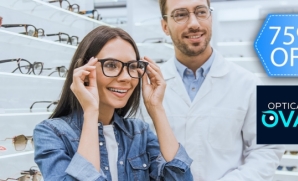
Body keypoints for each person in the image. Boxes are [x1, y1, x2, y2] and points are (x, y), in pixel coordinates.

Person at [139, 0, 285, 180]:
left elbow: (268, 149)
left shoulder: (251, 83)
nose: (194, 23)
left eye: (201, 12)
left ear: (211, 17)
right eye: (181, 14)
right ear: (165, 26)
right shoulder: (145, 89)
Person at [33, 26, 193, 181]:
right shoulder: (51, 133)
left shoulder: (139, 132)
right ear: (85, 71)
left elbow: (179, 178)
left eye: (132, 67)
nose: (126, 77)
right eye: (111, 65)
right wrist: (91, 113)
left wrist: (156, 108)